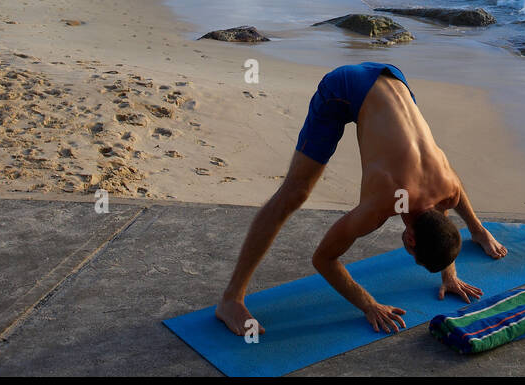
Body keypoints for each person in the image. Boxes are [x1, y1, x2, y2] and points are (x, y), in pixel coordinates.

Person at [215, 63, 506, 336]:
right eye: (414, 255)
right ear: (411, 241)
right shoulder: (381, 203)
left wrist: (450, 273)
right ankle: (231, 300)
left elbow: (445, 214)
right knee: (295, 193)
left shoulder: (447, 186)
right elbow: (324, 258)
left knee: (436, 191)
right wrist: (369, 304)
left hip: (392, 77)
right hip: (343, 87)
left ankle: (479, 232)